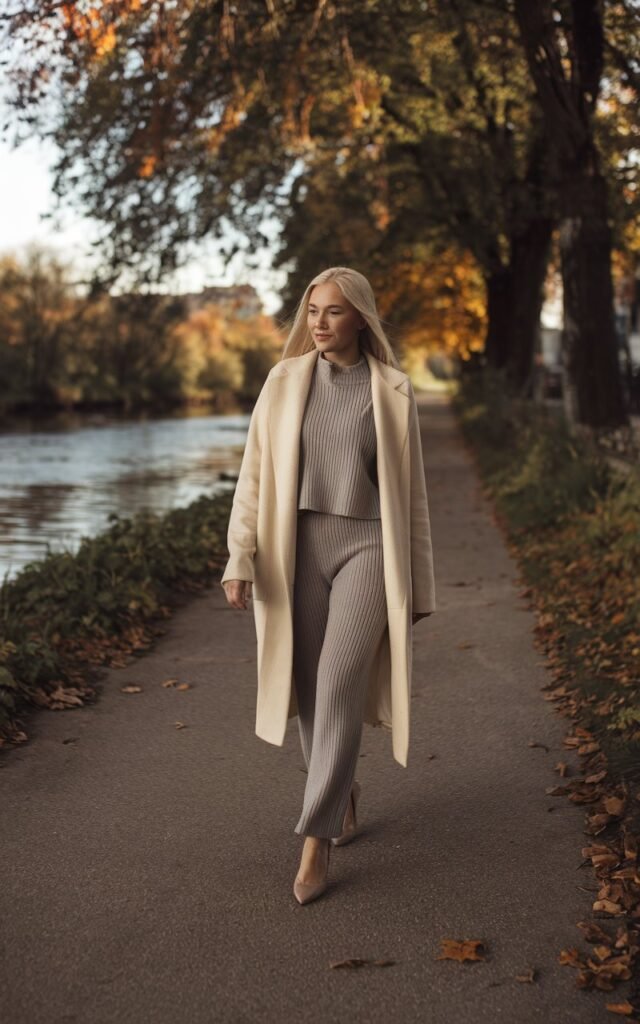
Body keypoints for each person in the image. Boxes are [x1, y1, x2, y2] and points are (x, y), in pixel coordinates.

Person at [220, 266, 436, 905]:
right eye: (312, 310)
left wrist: (417, 587)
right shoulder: (283, 382)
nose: (319, 322)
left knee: (340, 680)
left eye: (334, 311)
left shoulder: (392, 390)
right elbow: (253, 475)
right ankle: (340, 792)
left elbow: (413, 497)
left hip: (368, 547)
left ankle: (313, 841)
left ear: (360, 318)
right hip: (298, 549)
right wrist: (240, 557)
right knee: (313, 694)